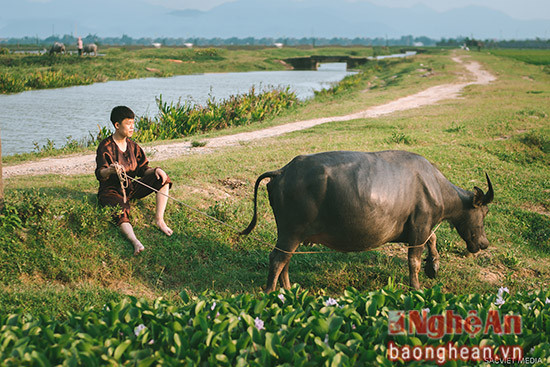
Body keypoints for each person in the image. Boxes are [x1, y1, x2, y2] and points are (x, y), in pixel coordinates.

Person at [95, 106, 173, 255]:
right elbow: (100, 172)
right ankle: (135, 241)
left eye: (133, 123)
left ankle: (159, 220)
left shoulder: (133, 146)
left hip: (130, 187)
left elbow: (143, 169)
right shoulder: (105, 146)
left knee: (162, 178)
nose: (132, 127)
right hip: (111, 191)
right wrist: (110, 170)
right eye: (128, 123)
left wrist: (156, 170)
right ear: (117, 125)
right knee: (121, 212)